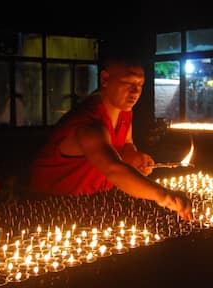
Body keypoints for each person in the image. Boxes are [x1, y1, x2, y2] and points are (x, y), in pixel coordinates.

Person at [28, 49, 192, 220]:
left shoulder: (124, 112)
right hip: (52, 207)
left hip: (92, 203)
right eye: (128, 82)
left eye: (140, 84)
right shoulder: (89, 125)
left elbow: (125, 143)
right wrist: (164, 196)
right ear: (105, 79)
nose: (135, 91)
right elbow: (114, 169)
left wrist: (132, 156)